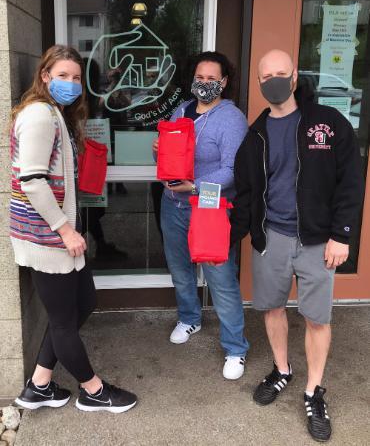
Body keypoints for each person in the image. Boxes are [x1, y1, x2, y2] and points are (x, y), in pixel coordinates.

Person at [230, 49, 363, 441]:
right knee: (271, 308)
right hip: (271, 239)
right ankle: (283, 370)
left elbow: (351, 182)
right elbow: (246, 192)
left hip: (318, 241)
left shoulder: (327, 123)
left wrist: (342, 234)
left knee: (317, 318)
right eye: (265, 75)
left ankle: (313, 390)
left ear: (293, 79)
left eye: (280, 74)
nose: (272, 80)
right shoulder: (255, 135)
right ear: (258, 84)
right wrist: (231, 236)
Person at [9, 45, 137, 413]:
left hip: (52, 235)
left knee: (84, 303)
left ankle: (38, 386)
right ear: (45, 76)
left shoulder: (53, 113)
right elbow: (32, 181)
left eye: (76, 77)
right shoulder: (39, 116)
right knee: (65, 321)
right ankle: (94, 391)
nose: (70, 83)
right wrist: (65, 230)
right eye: (62, 75)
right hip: (47, 238)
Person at [153, 51, 249, 380]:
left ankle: (236, 347)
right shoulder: (182, 109)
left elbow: (232, 170)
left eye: (212, 79)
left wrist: (194, 187)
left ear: (224, 82)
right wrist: (161, 149)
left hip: (208, 203)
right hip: (173, 202)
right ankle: (190, 316)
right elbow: (177, 150)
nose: (204, 83)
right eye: (200, 77)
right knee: (180, 268)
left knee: (220, 278)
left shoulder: (231, 118)